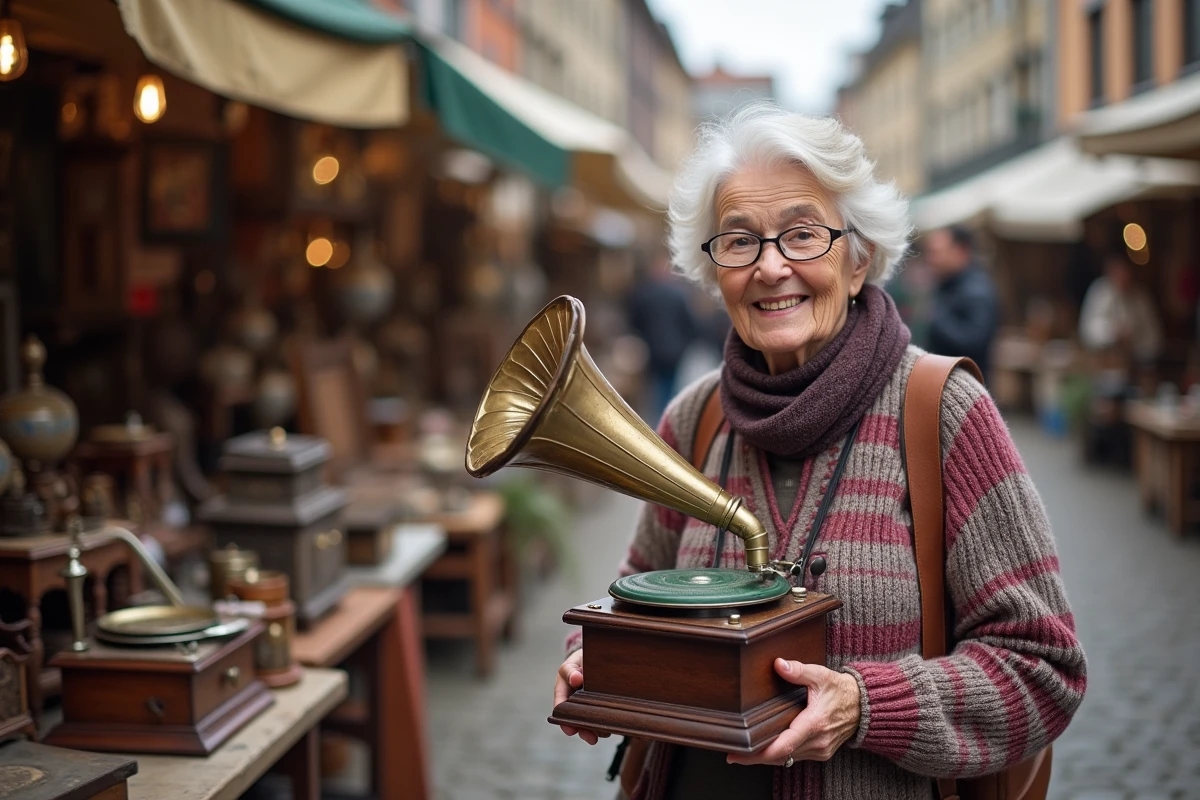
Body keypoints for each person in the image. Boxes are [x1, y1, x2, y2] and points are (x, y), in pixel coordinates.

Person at [553, 103, 1086, 800]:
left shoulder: (945, 413)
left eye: (803, 234)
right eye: (739, 242)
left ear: (859, 258)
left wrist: (868, 706)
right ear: (716, 275)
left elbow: (1043, 666)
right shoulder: (694, 419)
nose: (771, 267)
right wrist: (595, 658)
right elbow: (639, 591)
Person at [627, 252, 699, 421]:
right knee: (669, 387)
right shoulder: (679, 293)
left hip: (652, 349)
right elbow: (690, 323)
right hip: (675, 351)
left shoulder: (644, 292)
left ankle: (659, 419)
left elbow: (635, 321)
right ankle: (666, 419)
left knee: (655, 388)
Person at [923, 226, 999, 379]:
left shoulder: (976, 291)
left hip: (967, 388)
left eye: (937, 252)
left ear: (960, 251)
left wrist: (936, 318)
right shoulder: (947, 285)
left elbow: (974, 342)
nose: (931, 259)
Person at [1078, 251, 1163, 366]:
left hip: (1136, 363)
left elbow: (1154, 337)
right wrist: (1113, 333)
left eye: (1125, 271)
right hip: (1102, 363)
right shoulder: (1100, 292)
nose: (1122, 276)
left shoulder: (1141, 298)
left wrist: (1134, 340)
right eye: (1118, 271)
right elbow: (1087, 331)